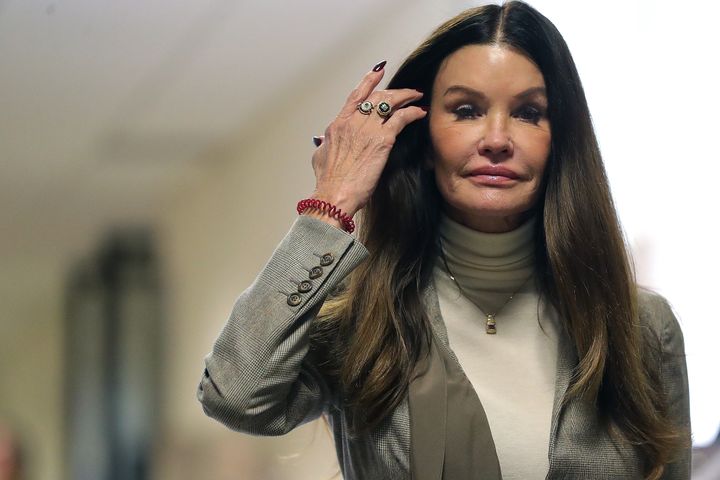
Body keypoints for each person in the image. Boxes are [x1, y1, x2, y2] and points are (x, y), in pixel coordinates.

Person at [197, 2, 691, 479]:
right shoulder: (359, 322)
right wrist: (332, 202)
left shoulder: (643, 330)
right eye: (467, 109)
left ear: (559, 141)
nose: (497, 139)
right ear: (424, 140)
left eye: (528, 113)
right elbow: (236, 396)